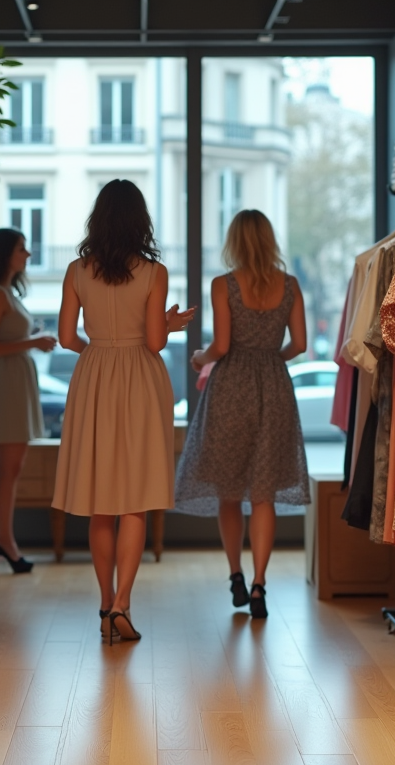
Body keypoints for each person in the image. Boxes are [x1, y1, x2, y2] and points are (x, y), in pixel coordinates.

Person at [52, 180, 195, 643]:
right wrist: (169, 324)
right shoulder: (154, 272)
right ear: (140, 221)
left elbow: (67, 338)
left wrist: (96, 350)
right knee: (135, 499)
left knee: (100, 501)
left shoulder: (76, 270)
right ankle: (122, 604)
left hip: (93, 376)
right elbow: (154, 342)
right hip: (140, 379)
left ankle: (103, 603)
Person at [174, 209, 310, 619]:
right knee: (263, 493)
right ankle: (259, 585)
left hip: (231, 387)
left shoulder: (223, 285)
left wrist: (199, 358)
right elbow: (300, 344)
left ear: (234, 240)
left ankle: (235, 574)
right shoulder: (290, 285)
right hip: (274, 386)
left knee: (229, 489)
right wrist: (271, 358)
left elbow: (222, 345)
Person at [0, 228, 57, 574]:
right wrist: (33, 342)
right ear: (5, 253)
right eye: (22, 249)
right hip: (5, 383)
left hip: (9, 381)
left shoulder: (3, 291)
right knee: (7, 469)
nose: (28, 254)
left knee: (1, 468)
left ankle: (3, 539)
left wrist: (31, 340)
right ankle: (5, 541)